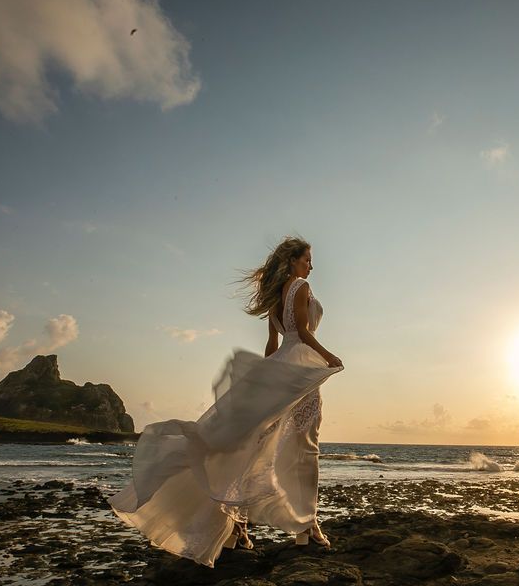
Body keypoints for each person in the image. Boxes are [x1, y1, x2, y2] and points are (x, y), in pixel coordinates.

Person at [109, 237, 344, 566]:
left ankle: (238, 529)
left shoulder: (276, 297)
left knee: (253, 447)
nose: (311, 265)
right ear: (292, 261)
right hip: (301, 368)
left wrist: (264, 378)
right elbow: (303, 331)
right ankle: (305, 527)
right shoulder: (301, 287)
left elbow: (273, 345)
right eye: (307, 259)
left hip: (281, 370)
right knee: (303, 447)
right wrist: (329, 356)